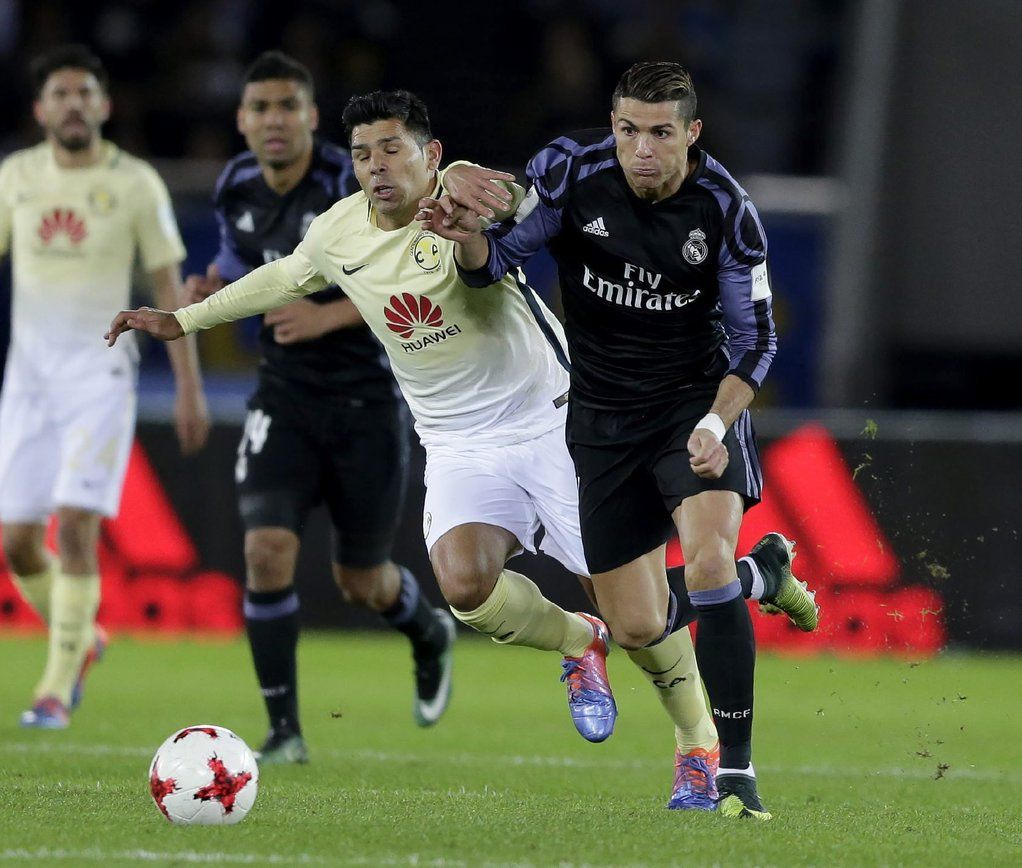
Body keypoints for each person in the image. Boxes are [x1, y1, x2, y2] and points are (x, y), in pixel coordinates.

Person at [105, 90, 808, 811]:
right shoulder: (338, 232)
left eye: (392, 149)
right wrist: (184, 319)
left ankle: (698, 742)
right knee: (466, 586)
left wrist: (497, 190)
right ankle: (578, 642)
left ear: (431, 154)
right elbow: (284, 277)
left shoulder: (465, 194)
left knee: (641, 616)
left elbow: (528, 201)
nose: (376, 168)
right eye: (362, 155)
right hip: (456, 442)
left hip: (555, 422)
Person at [434, 61, 819, 820]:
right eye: (628, 130)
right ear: (613, 126)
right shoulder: (571, 171)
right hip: (602, 419)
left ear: (692, 133)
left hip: (691, 407)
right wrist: (469, 240)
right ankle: (763, 575)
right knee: (639, 625)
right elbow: (495, 265)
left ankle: (734, 773)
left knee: (705, 564)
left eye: (661, 133)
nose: (642, 149)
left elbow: (755, 341)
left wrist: (715, 422)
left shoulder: (727, 211)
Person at [184, 52, 462, 765]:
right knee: (265, 552)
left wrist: (324, 315)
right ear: (242, 120)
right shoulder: (236, 184)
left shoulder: (356, 178)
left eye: (287, 106)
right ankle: (284, 732)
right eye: (260, 107)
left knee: (361, 582)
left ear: (311, 117)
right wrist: (213, 285)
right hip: (284, 396)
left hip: (367, 399)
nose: (273, 120)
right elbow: (241, 262)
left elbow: (410, 276)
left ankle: (428, 630)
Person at [0, 44, 210, 730]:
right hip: (30, 379)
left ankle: (54, 688)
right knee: (18, 542)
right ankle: (84, 639)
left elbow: (168, 287)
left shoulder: (135, 183)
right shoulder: (17, 175)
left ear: (104, 106)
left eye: (85, 94)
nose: (73, 104)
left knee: (77, 523)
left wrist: (189, 387)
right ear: (40, 109)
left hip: (100, 373)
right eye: (61, 94)